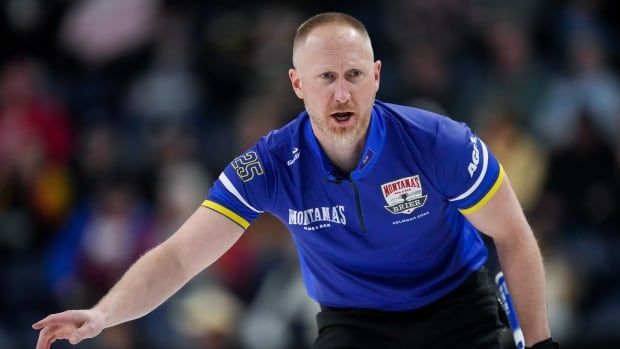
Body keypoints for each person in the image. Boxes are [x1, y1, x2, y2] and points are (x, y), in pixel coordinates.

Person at [33, 12, 558, 349]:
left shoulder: (438, 141)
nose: (342, 95)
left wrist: (539, 345)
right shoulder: (268, 166)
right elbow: (178, 256)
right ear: (297, 84)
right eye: (326, 78)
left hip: (457, 309)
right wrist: (103, 313)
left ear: (376, 76)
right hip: (355, 324)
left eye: (354, 75)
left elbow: (512, 234)